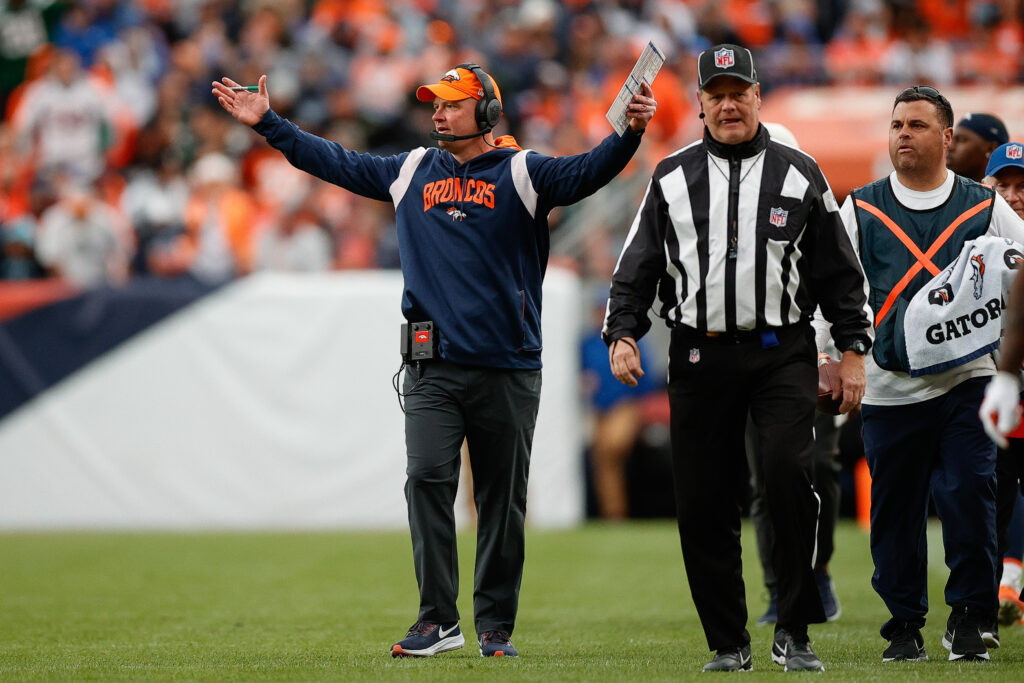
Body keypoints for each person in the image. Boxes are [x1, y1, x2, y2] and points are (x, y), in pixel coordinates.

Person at [212, 63, 656, 658]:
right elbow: (334, 161)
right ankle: (436, 620)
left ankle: (495, 628)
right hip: (432, 366)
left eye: (451, 103)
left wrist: (627, 133)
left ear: (488, 112)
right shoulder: (413, 168)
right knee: (426, 480)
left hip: (507, 364)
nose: (438, 112)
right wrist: (269, 123)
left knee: (502, 500)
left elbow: (586, 172)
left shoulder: (522, 170)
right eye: (435, 104)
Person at [603, 44, 871, 673]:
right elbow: (635, 267)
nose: (727, 104)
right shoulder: (669, 175)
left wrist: (853, 352)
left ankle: (794, 628)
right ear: (699, 103)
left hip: (783, 353)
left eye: (738, 92)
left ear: (758, 97)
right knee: (702, 500)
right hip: (699, 355)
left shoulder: (801, 173)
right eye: (715, 93)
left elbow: (840, 273)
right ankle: (728, 643)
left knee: (786, 478)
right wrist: (622, 332)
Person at [843, 86, 1024, 663]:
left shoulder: (985, 206)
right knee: (896, 507)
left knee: (970, 493)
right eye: (897, 124)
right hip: (889, 384)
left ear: (946, 138)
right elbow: (835, 290)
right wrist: (834, 355)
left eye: (917, 125)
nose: (903, 134)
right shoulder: (860, 208)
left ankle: (971, 616)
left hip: (966, 375)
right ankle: (903, 624)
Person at [746, 123, 843, 627]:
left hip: (809, 355)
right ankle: (778, 587)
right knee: (767, 478)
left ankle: (819, 568)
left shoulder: (812, 207)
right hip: (747, 359)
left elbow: (842, 282)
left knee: (818, 468)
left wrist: (837, 353)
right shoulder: (734, 211)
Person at [979, 141, 1024, 628]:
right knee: (995, 501)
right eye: (1003, 185)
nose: (1013, 196)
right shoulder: (975, 246)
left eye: (1022, 186)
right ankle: (987, 605)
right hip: (999, 387)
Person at [947, 113, 1009, 182]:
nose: (950, 146)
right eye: (951, 139)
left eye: (961, 140)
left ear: (991, 149)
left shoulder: (1008, 192)